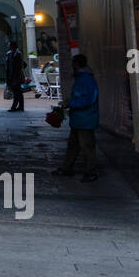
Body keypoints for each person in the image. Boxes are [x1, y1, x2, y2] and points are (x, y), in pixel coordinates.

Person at [53, 53, 100, 182]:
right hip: (79, 119)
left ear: (76, 64)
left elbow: (87, 100)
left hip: (86, 119)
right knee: (73, 145)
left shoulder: (86, 80)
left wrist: (70, 103)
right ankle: (67, 168)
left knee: (86, 146)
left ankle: (90, 171)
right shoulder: (82, 79)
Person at [5, 40, 25, 112]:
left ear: (12, 46)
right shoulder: (9, 54)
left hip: (16, 76)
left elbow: (21, 66)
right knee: (17, 92)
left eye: (9, 44)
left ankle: (16, 107)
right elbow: (7, 66)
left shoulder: (18, 54)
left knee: (17, 92)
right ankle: (19, 106)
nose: (8, 46)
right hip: (10, 75)